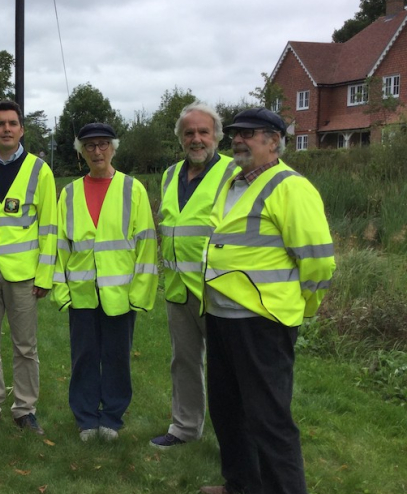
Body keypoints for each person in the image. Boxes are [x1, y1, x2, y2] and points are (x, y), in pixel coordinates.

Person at [199, 108, 335, 494]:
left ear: (274, 141)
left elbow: (320, 261)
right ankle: (241, 484)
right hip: (221, 313)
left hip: (263, 321)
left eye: (249, 134)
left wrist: (298, 308)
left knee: (269, 419)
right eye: (235, 135)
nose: (238, 140)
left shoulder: (291, 187)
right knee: (227, 411)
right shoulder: (233, 183)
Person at [52, 123, 158, 442]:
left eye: (102, 144)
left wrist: (140, 292)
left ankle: (111, 416)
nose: (97, 151)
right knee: (83, 357)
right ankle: (86, 418)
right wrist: (61, 290)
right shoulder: (69, 193)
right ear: (81, 152)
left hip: (120, 293)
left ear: (113, 147)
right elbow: (59, 245)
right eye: (89, 146)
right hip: (82, 291)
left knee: (116, 356)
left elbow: (146, 243)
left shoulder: (132, 189)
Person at [0, 100, 57, 438]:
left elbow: (49, 226)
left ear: (22, 129)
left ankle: (25, 409)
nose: (6, 129)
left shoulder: (39, 170)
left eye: (12, 123)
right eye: (0, 123)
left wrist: (45, 275)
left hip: (24, 273)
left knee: (25, 346)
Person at [150, 103, 238, 450]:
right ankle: (185, 427)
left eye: (203, 132)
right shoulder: (171, 174)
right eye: (189, 133)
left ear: (216, 135)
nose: (196, 139)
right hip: (178, 288)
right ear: (180, 138)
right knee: (184, 361)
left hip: (219, 288)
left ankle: (233, 439)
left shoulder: (234, 172)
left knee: (227, 368)